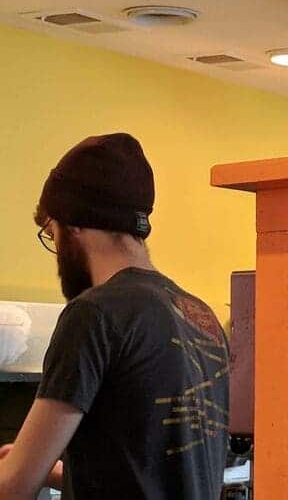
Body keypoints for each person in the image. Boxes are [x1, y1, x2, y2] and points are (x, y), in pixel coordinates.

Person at [0, 133, 229, 500]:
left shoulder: (94, 314)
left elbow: (14, 487)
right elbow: (149, 470)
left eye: (51, 233)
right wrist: (51, 471)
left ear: (73, 222)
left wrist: (22, 469)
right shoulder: (201, 316)